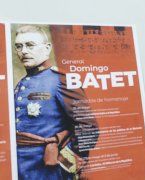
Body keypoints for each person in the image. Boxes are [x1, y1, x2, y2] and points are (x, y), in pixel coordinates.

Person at [13, 25, 99, 180]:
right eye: (19, 46)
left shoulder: (61, 80)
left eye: (30, 45)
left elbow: (88, 129)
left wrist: (65, 162)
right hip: (19, 169)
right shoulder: (21, 83)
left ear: (47, 48)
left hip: (48, 170)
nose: (24, 51)